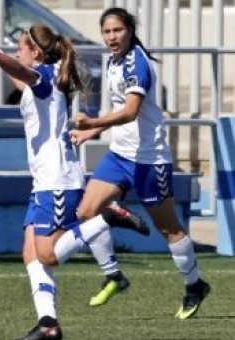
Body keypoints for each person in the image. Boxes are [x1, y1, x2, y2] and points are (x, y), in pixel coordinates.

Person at [0, 25, 149, 340]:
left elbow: (20, 71)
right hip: (45, 181)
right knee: (30, 253)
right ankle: (48, 325)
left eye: (21, 48)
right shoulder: (44, 76)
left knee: (48, 255)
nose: (16, 53)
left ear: (36, 53)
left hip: (56, 182)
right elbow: (19, 73)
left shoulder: (43, 78)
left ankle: (108, 215)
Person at [69, 7, 211, 320]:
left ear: (130, 31)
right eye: (106, 32)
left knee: (168, 229)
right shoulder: (112, 61)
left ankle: (194, 285)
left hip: (149, 160)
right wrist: (93, 131)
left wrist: (93, 120)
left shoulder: (137, 63)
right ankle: (114, 276)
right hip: (120, 155)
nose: (111, 37)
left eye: (117, 30)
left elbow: (131, 111)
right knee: (86, 212)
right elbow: (120, 110)